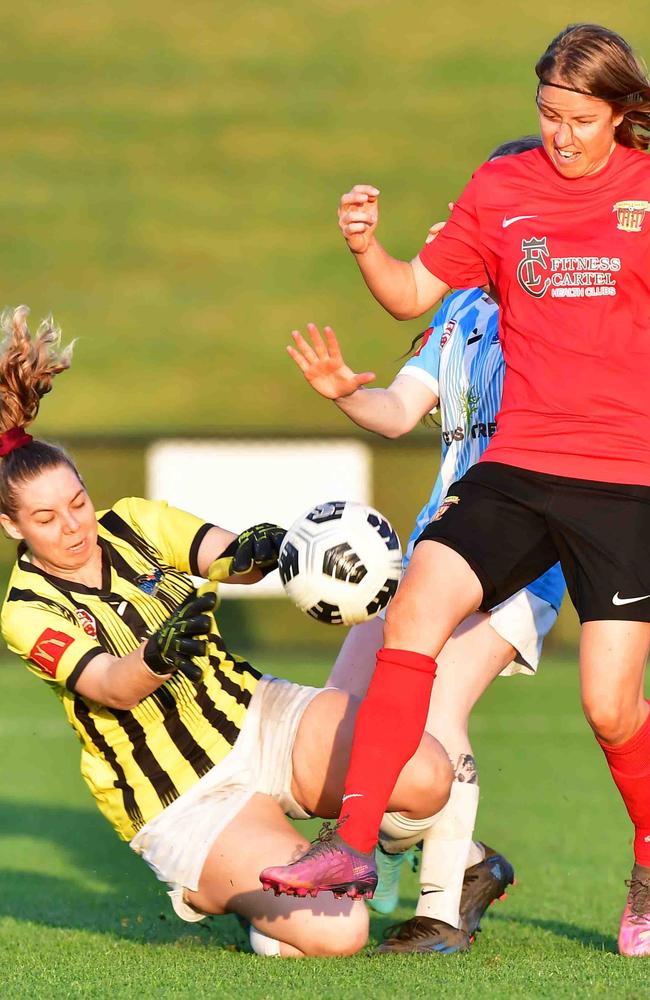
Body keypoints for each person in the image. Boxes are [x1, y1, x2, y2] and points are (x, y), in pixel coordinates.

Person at [261, 23, 650, 957]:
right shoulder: (502, 188)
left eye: (582, 120)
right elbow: (408, 294)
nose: (561, 136)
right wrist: (365, 247)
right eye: (548, 115)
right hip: (516, 468)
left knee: (608, 706)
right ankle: (354, 850)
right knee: (416, 610)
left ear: (621, 114)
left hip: (625, 481)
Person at [0, 306, 454, 959]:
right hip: (184, 797)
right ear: (14, 527)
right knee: (340, 930)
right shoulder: (25, 610)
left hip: (258, 716)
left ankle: (359, 847)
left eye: (76, 501)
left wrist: (270, 548)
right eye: (47, 517)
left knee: (426, 774)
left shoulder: (132, 521)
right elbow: (110, 683)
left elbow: (227, 554)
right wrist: (156, 657)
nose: (73, 525)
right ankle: (248, 906)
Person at [285, 145, 565, 952]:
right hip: (436, 554)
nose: (459, 223)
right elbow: (399, 412)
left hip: (520, 565)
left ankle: (444, 908)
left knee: (435, 716)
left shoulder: (547, 320)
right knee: (344, 723)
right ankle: (464, 855)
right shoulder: (458, 314)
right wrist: (347, 392)